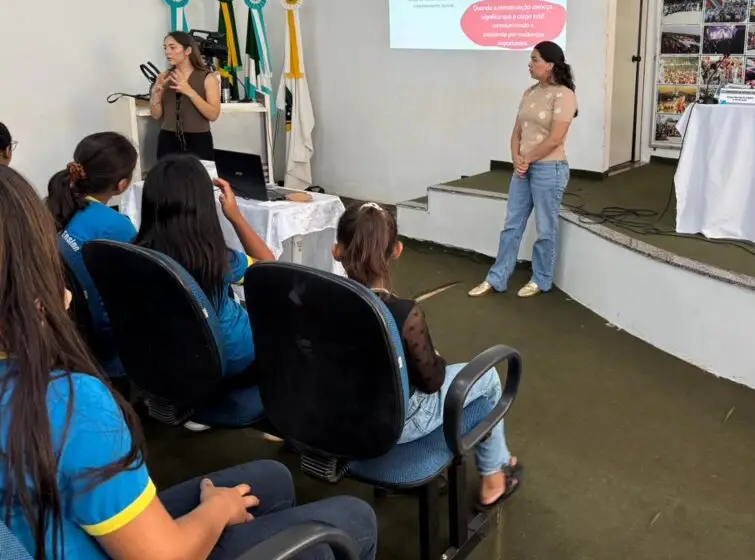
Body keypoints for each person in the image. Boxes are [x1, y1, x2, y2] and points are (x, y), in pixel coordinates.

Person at [0, 165, 378, 560]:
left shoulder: (133, 252)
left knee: (274, 479)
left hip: (83, 526)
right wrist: (216, 510)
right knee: (356, 517)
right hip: (165, 540)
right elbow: (271, 269)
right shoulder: (69, 405)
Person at [334, 202, 523, 510]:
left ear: (336, 251)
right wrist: (435, 358)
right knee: (486, 378)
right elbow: (432, 383)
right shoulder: (404, 315)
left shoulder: (319, 298)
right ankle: (493, 476)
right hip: (395, 426)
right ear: (397, 251)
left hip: (340, 417)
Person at [134, 155, 274, 427]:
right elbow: (271, 270)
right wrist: (236, 217)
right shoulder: (217, 258)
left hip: (175, 355)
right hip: (233, 360)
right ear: (202, 206)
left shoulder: (139, 251)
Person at [469, 41, 578, 298]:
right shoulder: (529, 93)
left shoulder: (564, 94)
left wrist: (526, 159)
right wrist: (517, 158)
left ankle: (541, 279)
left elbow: (555, 138)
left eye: (535, 59)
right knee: (512, 226)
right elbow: (516, 133)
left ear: (550, 65)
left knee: (545, 228)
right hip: (523, 169)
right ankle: (497, 278)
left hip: (549, 170)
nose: (530, 64)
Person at [46, 132, 139, 380]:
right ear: (122, 185)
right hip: (106, 341)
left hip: (69, 330)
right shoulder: (117, 227)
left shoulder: (55, 204)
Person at [150, 31, 222, 161]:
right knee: (167, 179)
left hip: (198, 140)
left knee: (197, 180)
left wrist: (189, 91)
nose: (167, 52)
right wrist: (155, 94)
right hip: (167, 139)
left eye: (172, 47)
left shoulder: (208, 78)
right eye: (165, 48)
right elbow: (156, 115)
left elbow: (213, 115)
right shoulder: (164, 77)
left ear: (188, 50)